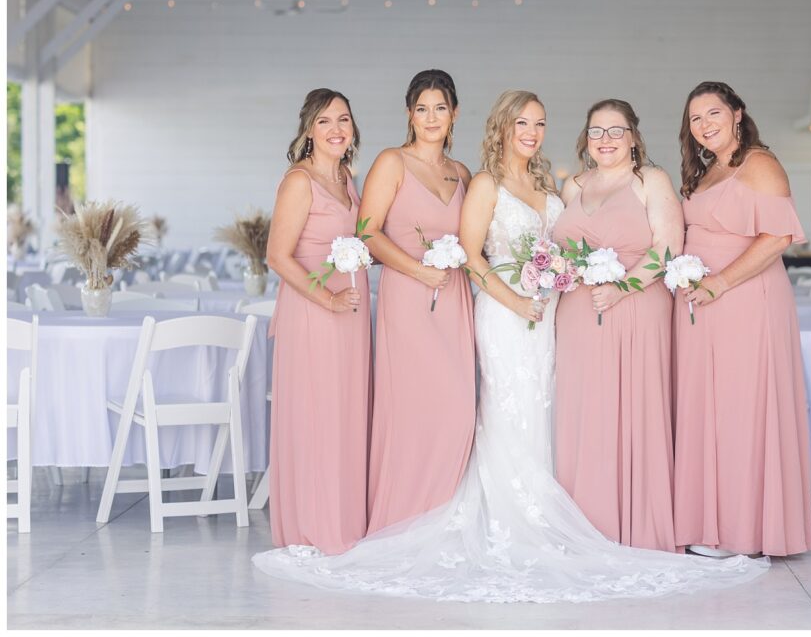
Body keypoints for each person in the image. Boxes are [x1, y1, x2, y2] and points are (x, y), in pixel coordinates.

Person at [251, 91, 768, 601]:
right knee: (503, 408)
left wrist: (557, 280)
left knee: (545, 411)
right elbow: (473, 256)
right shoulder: (485, 183)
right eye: (522, 123)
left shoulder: (551, 185)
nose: (531, 133)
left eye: (540, 124)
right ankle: (503, 517)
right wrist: (514, 302)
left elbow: (574, 245)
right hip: (503, 313)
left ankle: (546, 512)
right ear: (501, 127)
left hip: (545, 318)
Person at [672, 81, 811, 557]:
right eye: (695, 118)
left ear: (737, 113)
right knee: (707, 411)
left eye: (713, 113)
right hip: (703, 309)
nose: (704, 124)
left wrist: (720, 282)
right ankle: (709, 523)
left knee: (740, 409)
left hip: (745, 301)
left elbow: (778, 237)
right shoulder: (709, 169)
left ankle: (743, 530)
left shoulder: (760, 163)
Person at [550, 99, 682, 552]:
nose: (605, 140)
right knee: (582, 412)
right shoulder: (573, 185)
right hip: (577, 316)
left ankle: (635, 524)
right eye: (596, 131)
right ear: (586, 138)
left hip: (635, 309)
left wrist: (623, 288)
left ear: (633, 135)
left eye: (615, 130)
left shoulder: (651, 181)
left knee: (631, 408)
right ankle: (585, 525)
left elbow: (667, 250)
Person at [358, 69, 476, 534]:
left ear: (454, 114)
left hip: (455, 303)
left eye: (440, 108)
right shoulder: (392, 162)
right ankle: (404, 519)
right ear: (410, 114)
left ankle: (446, 517)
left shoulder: (463, 173)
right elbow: (367, 233)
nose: (431, 118)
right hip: (409, 298)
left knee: (458, 409)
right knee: (414, 408)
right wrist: (418, 270)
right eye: (422, 109)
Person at [264, 88, 371, 554]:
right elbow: (276, 256)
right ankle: (312, 527)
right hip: (313, 312)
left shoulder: (348, 178)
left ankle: (344, 521)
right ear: (310, 129)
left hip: (352, 312)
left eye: (343, 120)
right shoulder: (298, 181)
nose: (335, 129)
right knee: (316, 416)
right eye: (325, 121)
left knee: (346, 415)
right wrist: (326, 300)